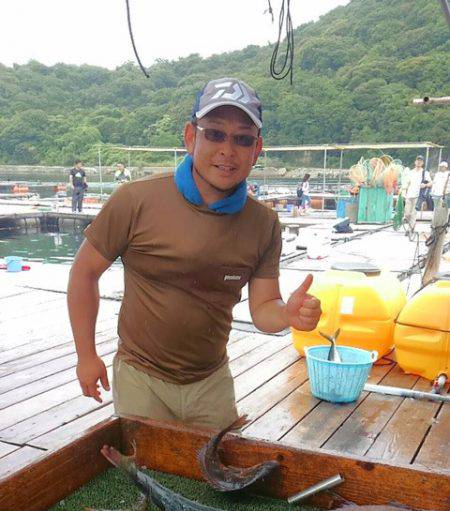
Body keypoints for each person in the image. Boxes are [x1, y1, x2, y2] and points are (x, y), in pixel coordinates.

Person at [67, 77, 321, 428]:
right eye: (215, 133)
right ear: (191, 136)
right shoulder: (134, 200)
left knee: (220, 478)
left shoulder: (263, 223)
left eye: (242, 139)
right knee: (145, 475)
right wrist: (86, 355)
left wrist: (288, 315)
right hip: (141, 376)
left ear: (256, 149)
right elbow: (84, 273)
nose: (227, 150)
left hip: (211, 380)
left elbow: (263, 308)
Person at [402, 155, 431, 235]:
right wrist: (403, 190)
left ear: (422, 163)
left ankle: (410, 229)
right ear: (415, 162)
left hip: (418, 195)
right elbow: (407, 183)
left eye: (420, 161)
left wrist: (425, 185)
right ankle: (410, 226)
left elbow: (431, 183)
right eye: (417, 160)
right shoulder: (411, 172)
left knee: (413, 213)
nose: (418, 162)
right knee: (407, 213)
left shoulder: (425, 172)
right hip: (409, 195)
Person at [430, 160, 450, 226]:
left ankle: (444, 223)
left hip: (445, 195)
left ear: (446, 167)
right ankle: (435, 223)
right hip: (436, 194)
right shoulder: (437, 174)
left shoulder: (448, 174)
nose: (441, 168)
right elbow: (434, 183)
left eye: (443, 167)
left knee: (445, 210)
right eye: (441, 166)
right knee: (436, 209)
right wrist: (432, 192)